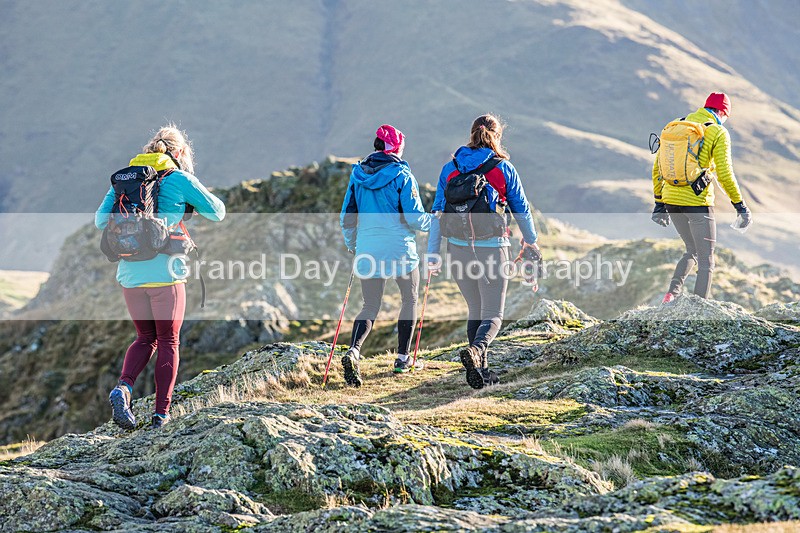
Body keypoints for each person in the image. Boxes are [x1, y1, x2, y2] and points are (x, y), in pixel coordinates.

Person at [95, 125, 226, 429]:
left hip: (129, 275)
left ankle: (123, 388)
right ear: (179, 152)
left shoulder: (126, 180)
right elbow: (218, 212)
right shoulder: (179, 178)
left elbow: (100, 220)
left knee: (145, 338)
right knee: (168, 340)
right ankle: (161, 415)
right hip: (166, 275)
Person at [427, 114, 540, 390]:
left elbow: (437, 214)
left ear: (471, 135)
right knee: (493, 314)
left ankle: (480, 372)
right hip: (492, 250)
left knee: (475, 309)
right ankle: (477, 353)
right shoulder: (503, 168)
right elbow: (521, 209)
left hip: (457, 250)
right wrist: (531, 241)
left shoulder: (449, 168)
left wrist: (433, 253)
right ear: (497, 136)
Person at [339, 124, 432, 386]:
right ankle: (403, 359)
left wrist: (353, 244)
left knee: (369, 305)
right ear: (396, 148)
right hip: (400, 249)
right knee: (409, 299)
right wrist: (433, 222)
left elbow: (347, 217)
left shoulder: (357, 175)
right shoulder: (402, 175)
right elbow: (414, 219)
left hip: (368, 249)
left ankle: (354, 351)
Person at [651, 92, 752, 302]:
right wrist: (739, 205)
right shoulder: (717, 131)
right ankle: (699, 309)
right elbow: (724, 174)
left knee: (692, 250)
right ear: (723, 112)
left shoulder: (676, 125)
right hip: (697, 203)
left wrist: (659, 203)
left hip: (670, 201)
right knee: (706, 260)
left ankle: (671, 295)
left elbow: (657, 167)